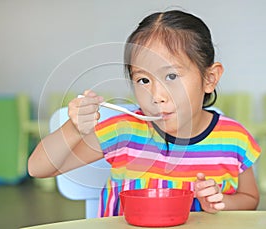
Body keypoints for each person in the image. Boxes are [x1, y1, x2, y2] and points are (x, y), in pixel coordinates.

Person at [28, 10, 261, 216]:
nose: (156, 95)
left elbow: (250, 200)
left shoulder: (234, 139)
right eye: (143, 79)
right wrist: (73, 128)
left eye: (171, 76)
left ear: (209, 79)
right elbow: (38, 168)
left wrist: (220, 202)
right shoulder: (124, 132)